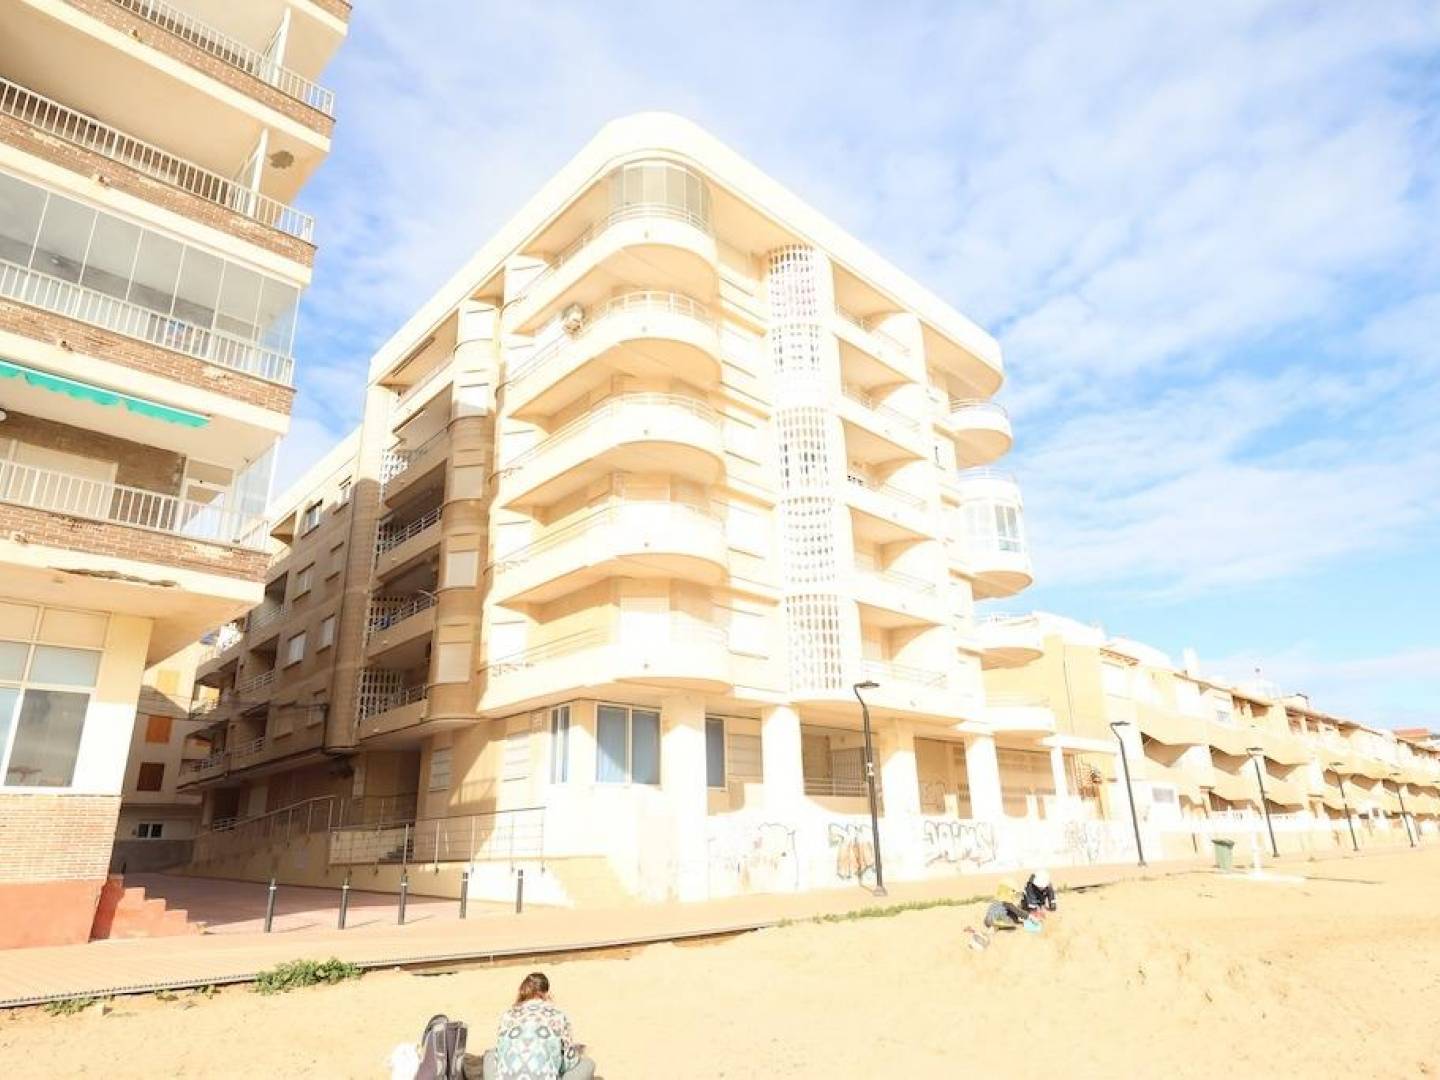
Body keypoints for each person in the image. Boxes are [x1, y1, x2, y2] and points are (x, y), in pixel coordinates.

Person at [473, 972, 596, 1080]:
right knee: (588, 1064)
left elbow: (499, 1055)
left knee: (490, 1054)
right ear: (547, 993)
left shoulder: (508, 1015)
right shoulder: (558, 1015)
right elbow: (568, 1062)